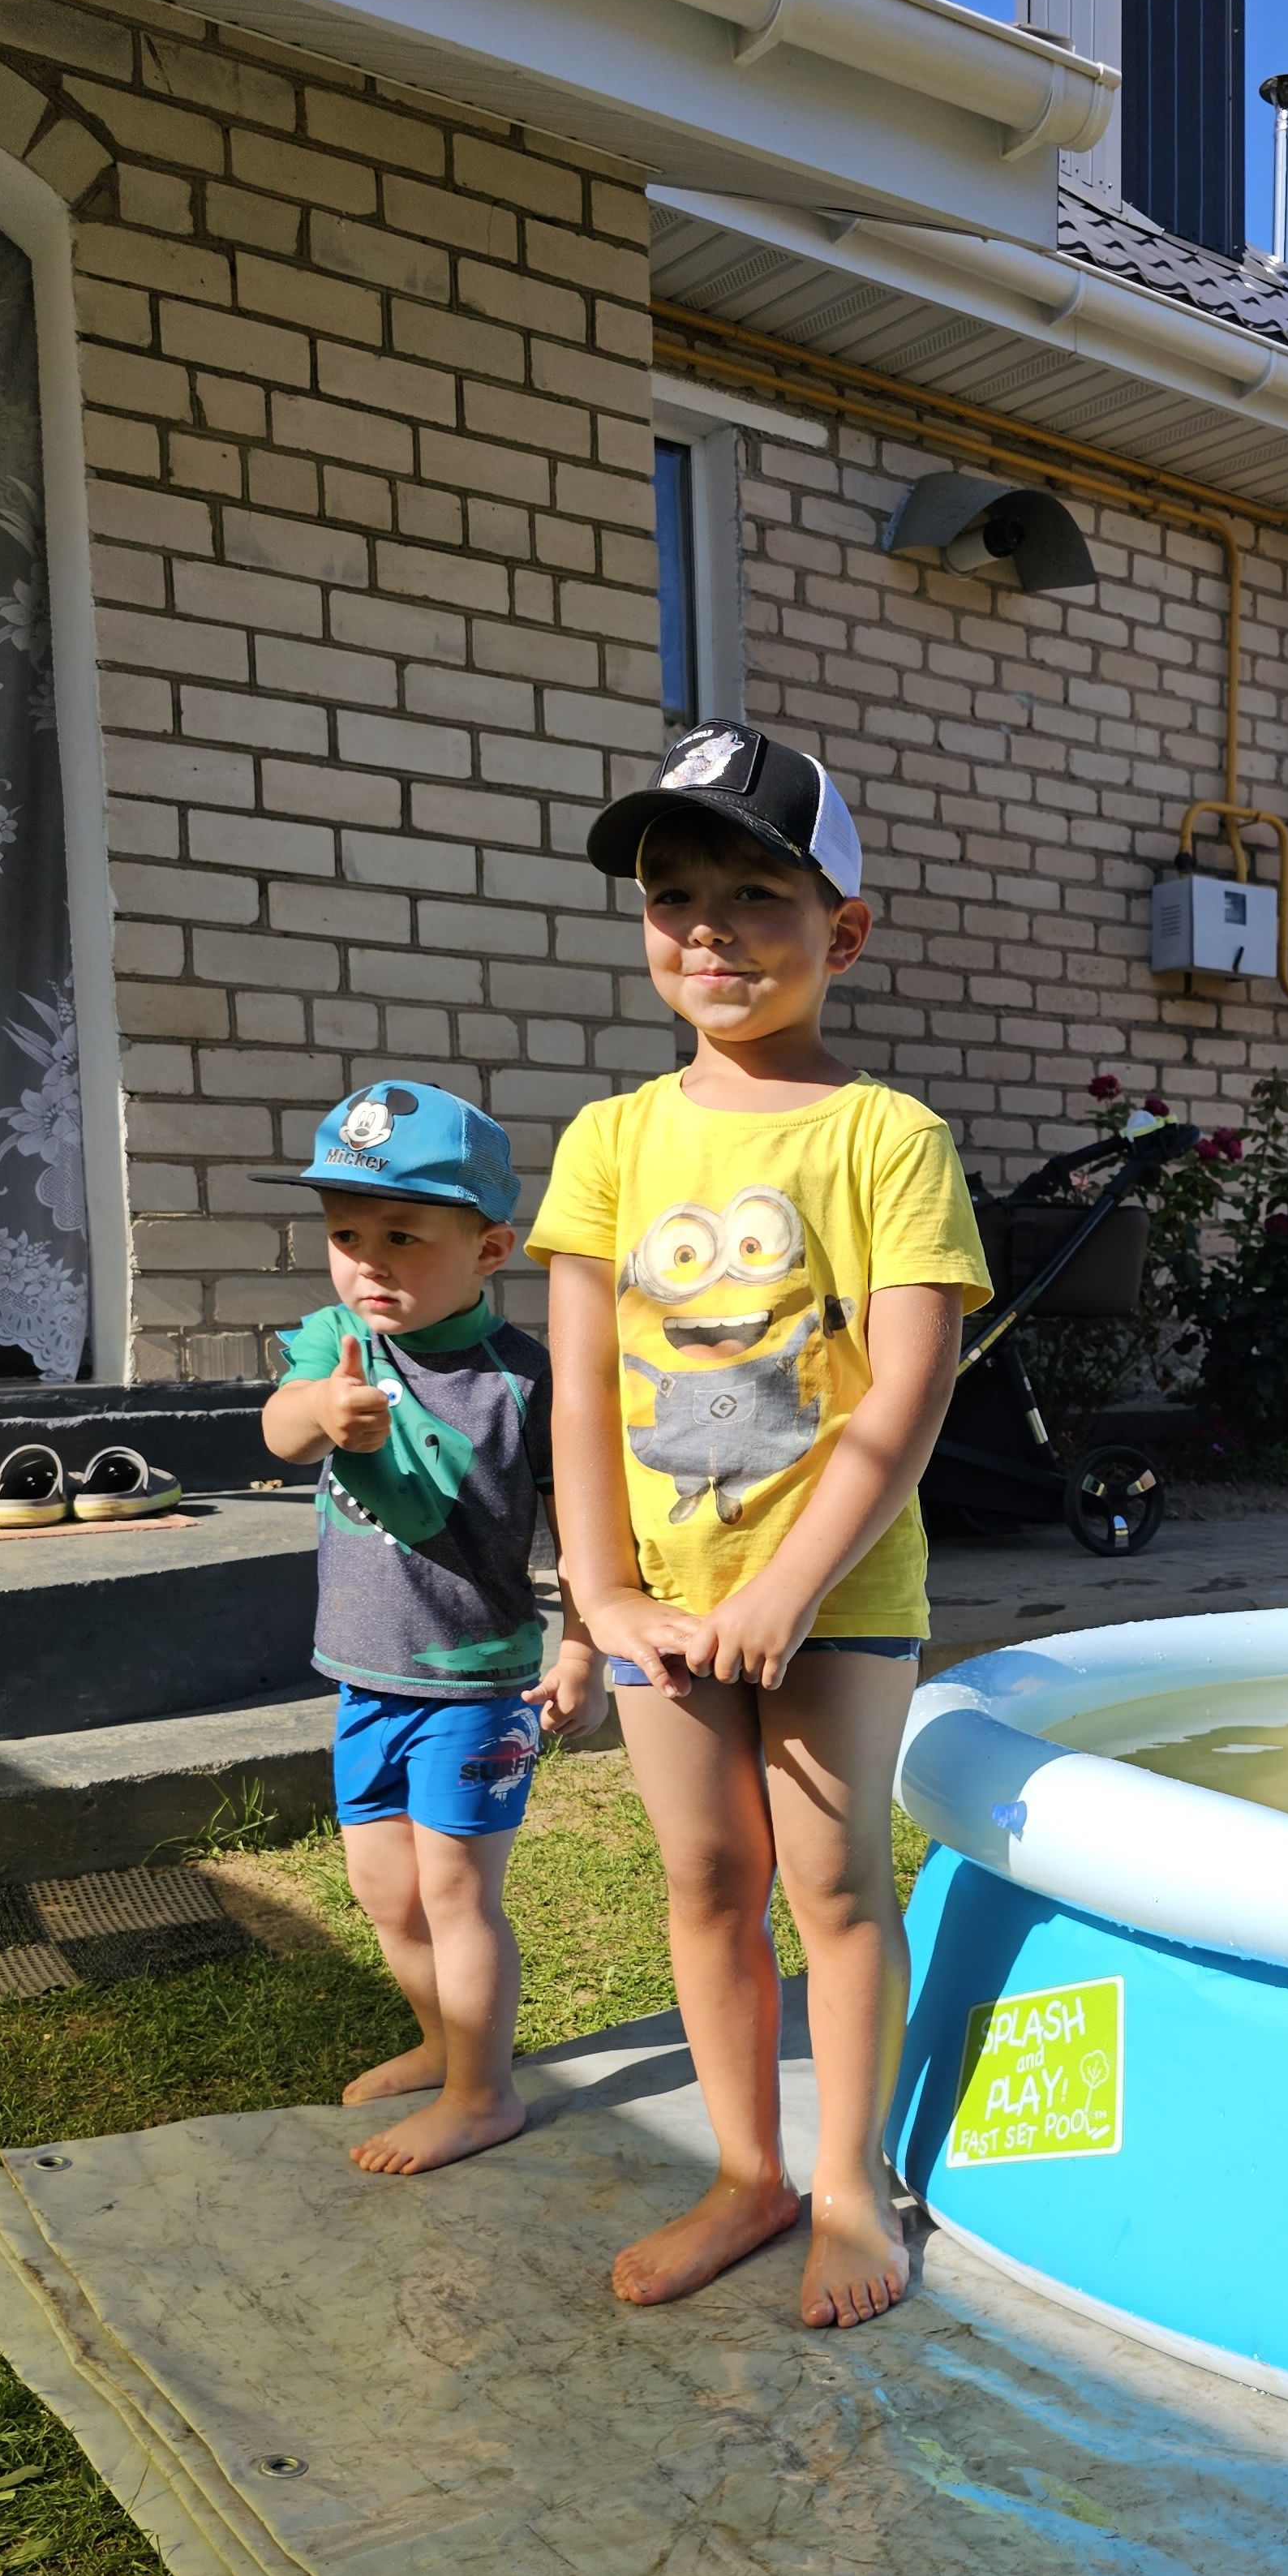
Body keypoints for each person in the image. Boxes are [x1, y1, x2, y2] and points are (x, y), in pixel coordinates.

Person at [531, 723, 989, 2329]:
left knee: (833, 1883)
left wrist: (794, 1586)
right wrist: (599, 1591)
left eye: (753, 890)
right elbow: (579, 1389)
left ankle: (850, 2186)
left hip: (837, 1599)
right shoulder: (608, 1143)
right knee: (707, 1876)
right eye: (672, 893)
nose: (707, 925)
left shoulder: (885, 1139)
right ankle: (747, 2169)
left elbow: (905, 1394)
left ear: (841, 929)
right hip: (665, 1597)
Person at [260, 1082, 599, 2175]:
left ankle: (483, 2092)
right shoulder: (334, 1342)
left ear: (491, 1247)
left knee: (457, 1892)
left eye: (403, 1236)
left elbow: (587, 1526)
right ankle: (439, 2041)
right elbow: (279, 1430)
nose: (367, 1263)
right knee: (383, 1890)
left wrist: (585, 1646)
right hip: (367, 1681)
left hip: (475, 1687)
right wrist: (324, 1413)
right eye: (346, 1235)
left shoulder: (524, 1382)